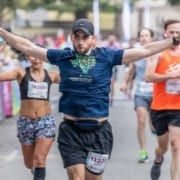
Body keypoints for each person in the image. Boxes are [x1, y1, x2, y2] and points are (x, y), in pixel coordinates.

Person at [0, 18, 179, 180]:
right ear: (71, 37)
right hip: (71, 131)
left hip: (99, 133)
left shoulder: (107, 57)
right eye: (77, 37)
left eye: (84, 37)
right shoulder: (63, 57)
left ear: (92, 39)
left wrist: (173, 40)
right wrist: (2, 32)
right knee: (77, 178)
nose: (80, 41)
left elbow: (145, 50)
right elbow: (28, 47)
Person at [0, 47, 60, 180]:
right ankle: (34, 170)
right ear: (28, 57)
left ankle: (38, 172)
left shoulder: (52, 75)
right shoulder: (20, 73)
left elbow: (76, 79)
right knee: (29, 163)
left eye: (39, 55)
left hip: (45, 122)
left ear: (45, 58)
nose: (36, 58)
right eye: (32, 55)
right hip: (25, 123)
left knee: (39, 159)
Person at [145, 19, 180, 180]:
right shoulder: (158, 52)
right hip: (160, 106)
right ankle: (158, 159)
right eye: (172, 32)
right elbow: (148, 76)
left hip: (178, 107)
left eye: (178, 32)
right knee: (163, 147)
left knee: (176, 146)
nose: (175, 35)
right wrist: (171, 75)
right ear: (165, 33)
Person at [120, 28, 155, 163]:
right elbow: (130, 72)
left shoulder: (157, 53)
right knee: (141, 120)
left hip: (156, 94)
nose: (144, 38)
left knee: (155, 127)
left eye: (146, 35)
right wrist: (125, 84)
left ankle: (157, 135)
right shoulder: (136, 54)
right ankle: (143, 151)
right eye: (142, 36)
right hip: (140, 92)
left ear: (151, 38)